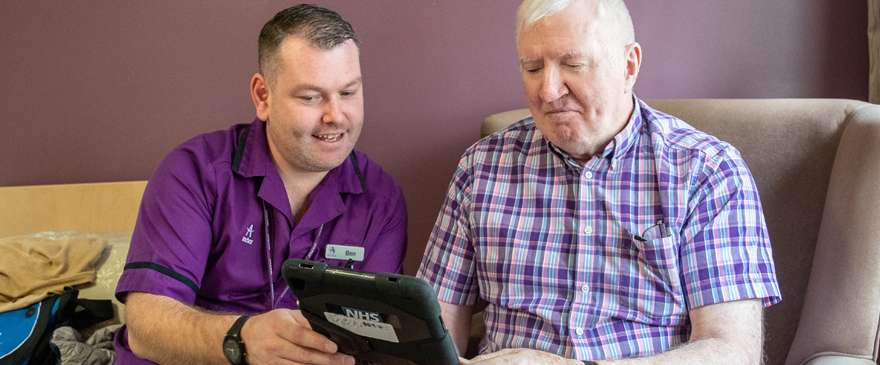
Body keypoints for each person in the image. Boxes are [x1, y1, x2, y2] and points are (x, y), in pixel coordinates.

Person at [417, 0, 781, 364]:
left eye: (573, 64)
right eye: (532, 68)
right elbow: (432, 333)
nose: (548, 91)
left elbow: (733, 353)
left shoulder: (707, 170)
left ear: (629, 66)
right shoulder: (481, 167)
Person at [114, 5, 407, 365]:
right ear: (263, 96)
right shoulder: (194, 171)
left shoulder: (382, 198)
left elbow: (375, 340)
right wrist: (242, 338)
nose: (336, 115)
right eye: (311, 96)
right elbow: (145, 326)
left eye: (348, 93)